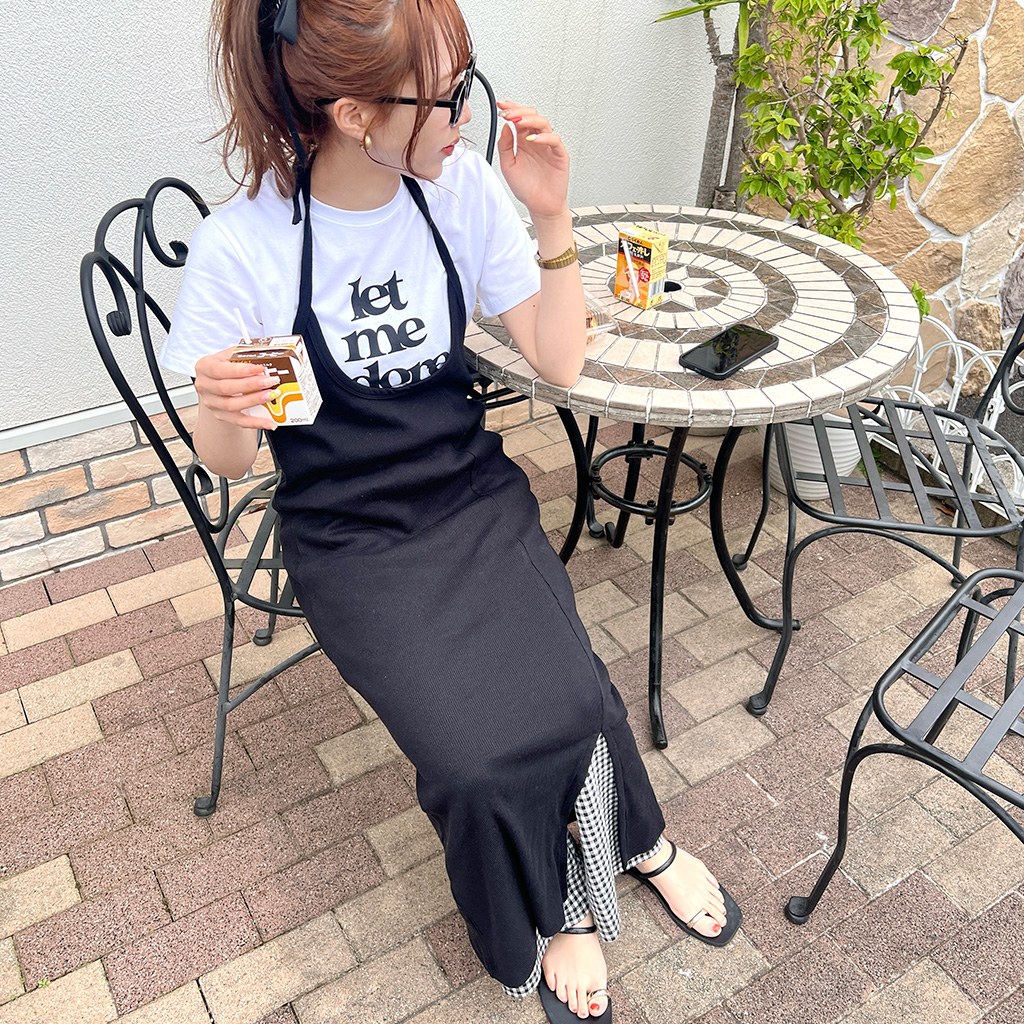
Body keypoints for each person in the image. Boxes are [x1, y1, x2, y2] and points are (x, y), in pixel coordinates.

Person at [160, 0, 742, 1019]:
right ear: (354, 114)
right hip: (351, 536)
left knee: (574, 696)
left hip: (470, 495)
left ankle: (639, 841)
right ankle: (552, 904)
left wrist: (551, 215)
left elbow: (559, 359)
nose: (465, 114)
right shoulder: (247, 250)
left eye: (467, 78)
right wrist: (221, 402)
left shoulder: (459, 190)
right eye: (445, 95)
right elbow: (232, 460)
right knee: (474, 761)